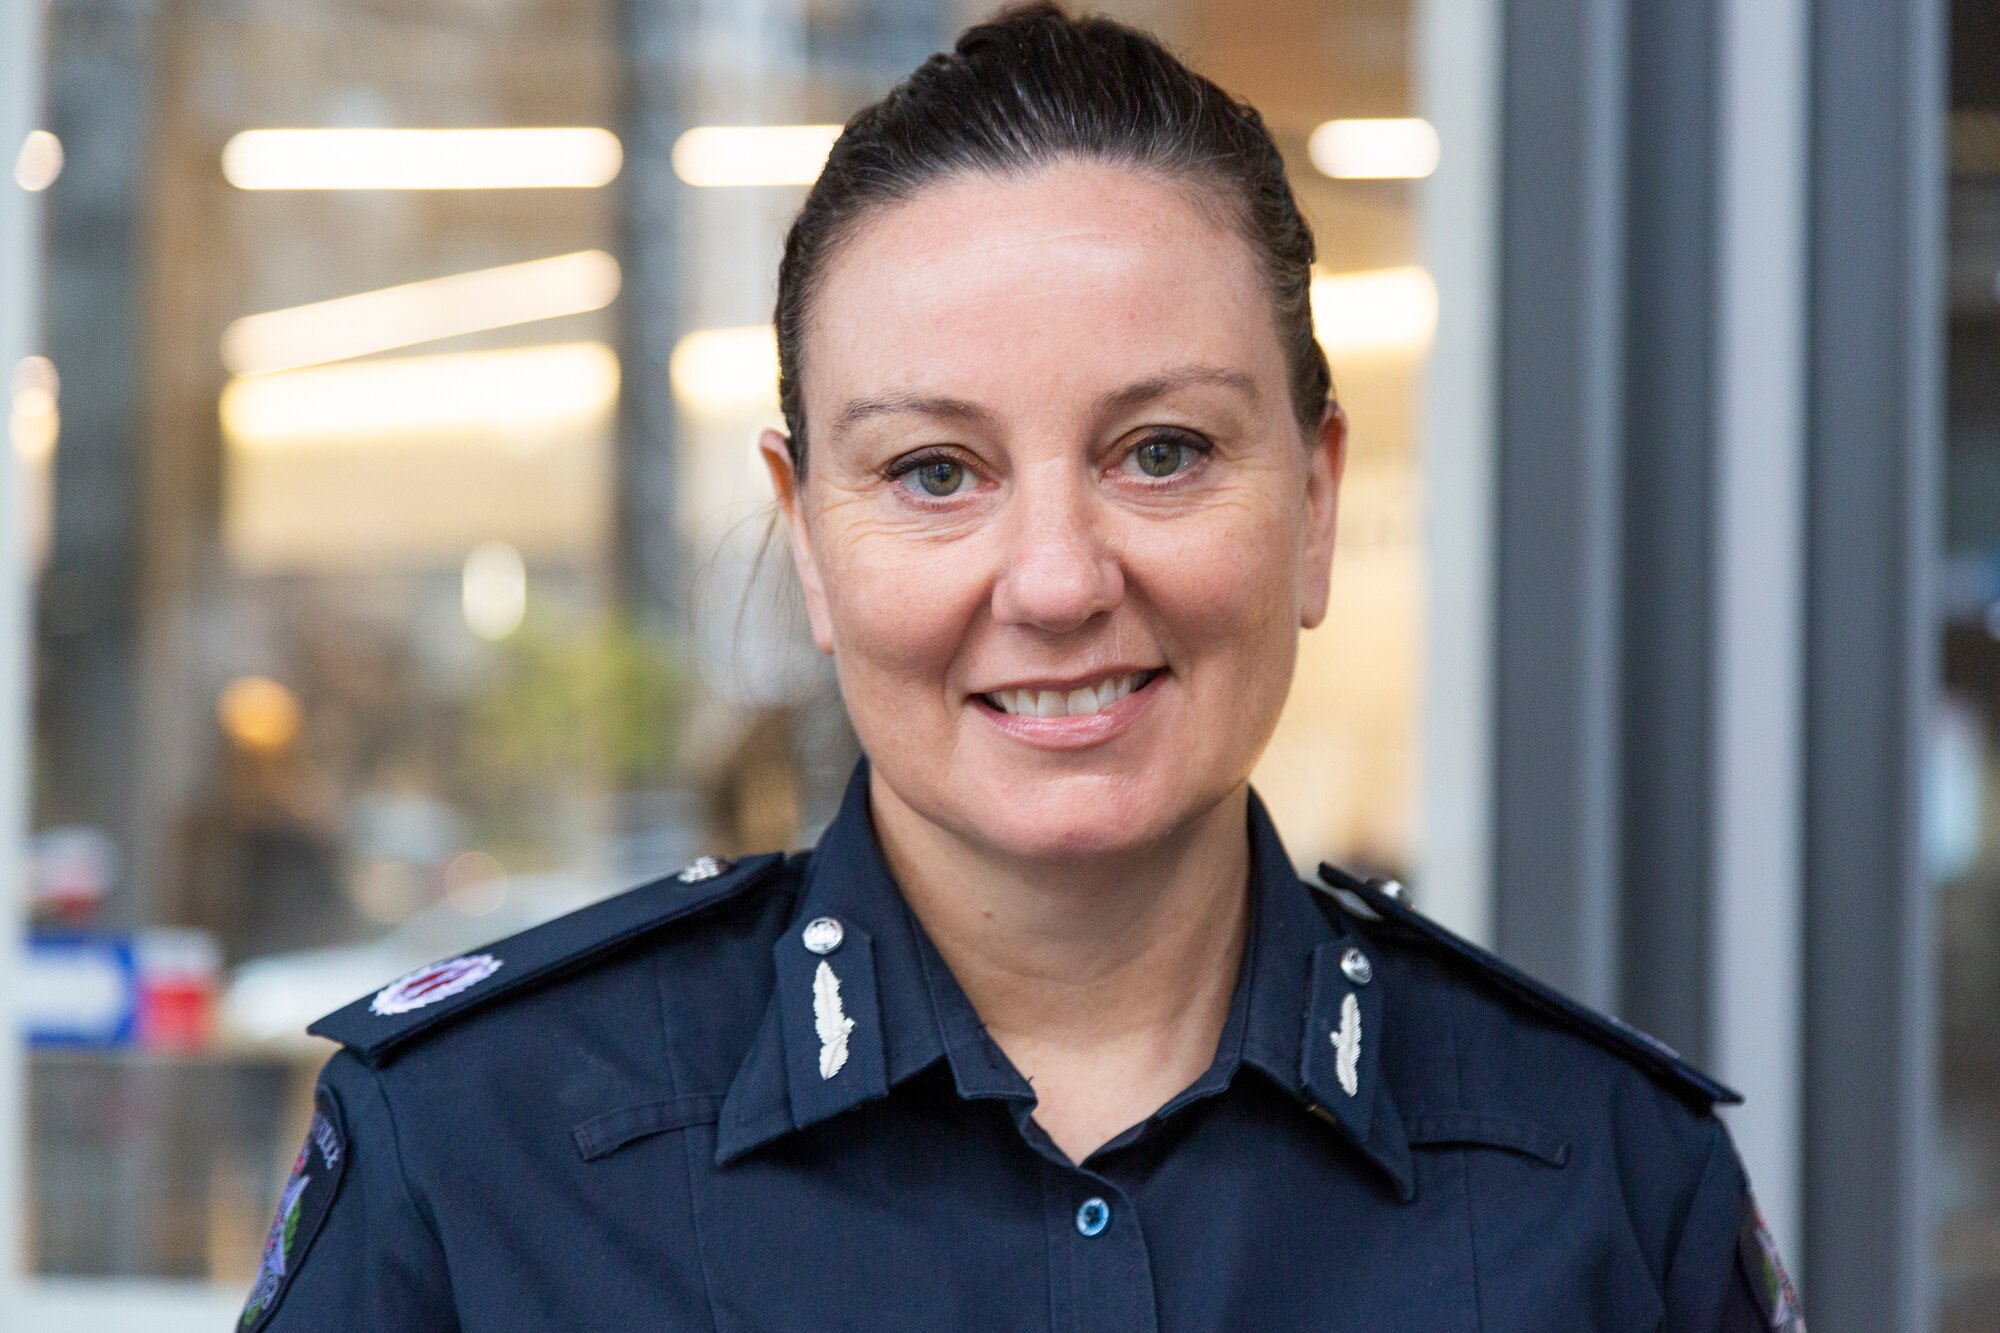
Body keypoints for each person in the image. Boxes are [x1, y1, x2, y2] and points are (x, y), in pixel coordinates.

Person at [240, 6, 1805, 1330]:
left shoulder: (1609, 1185)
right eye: (934, 472)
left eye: (1163, 450)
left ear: (1315, 504)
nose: (1057, 580)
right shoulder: (470, 1159)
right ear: (810, 538)